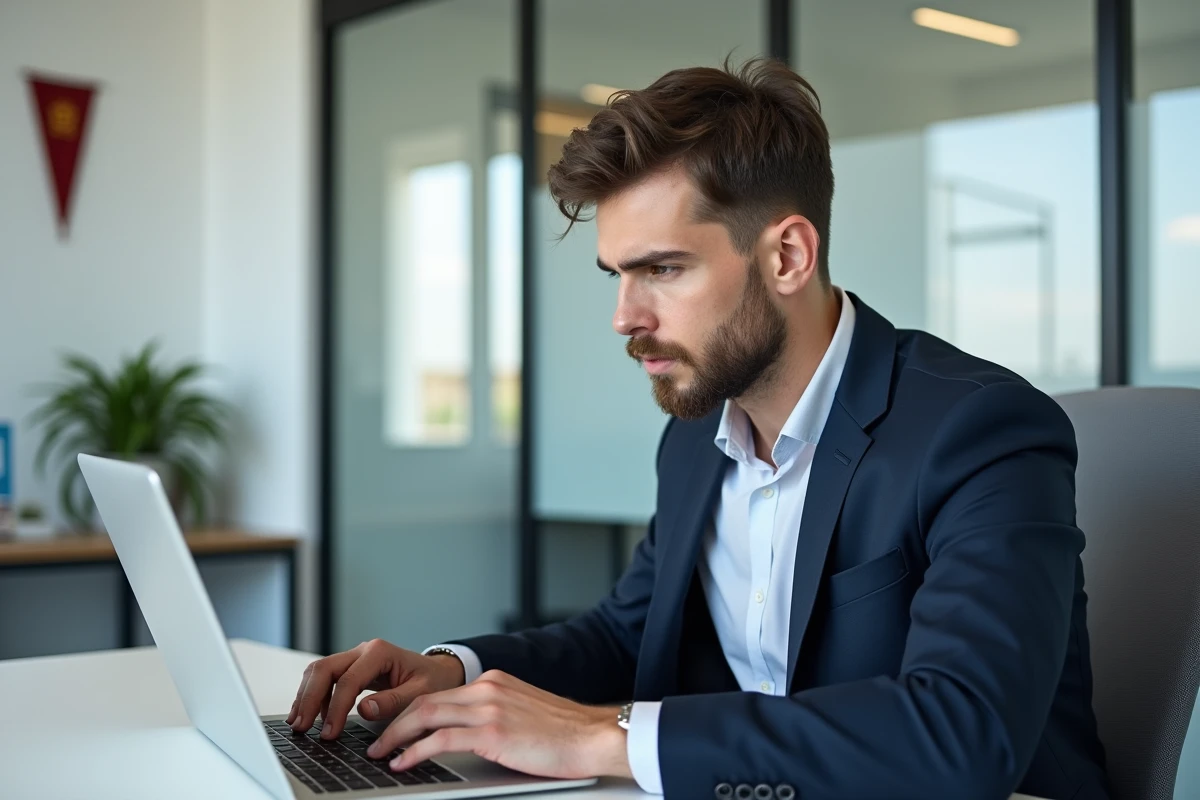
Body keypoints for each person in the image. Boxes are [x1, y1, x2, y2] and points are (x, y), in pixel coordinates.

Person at [289, 58, 1110, 799]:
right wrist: (452, 673)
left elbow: (962, 734)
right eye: (617, 274)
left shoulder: (979, 431)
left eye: (663, 269)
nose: (623, 317)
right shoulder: (696, 437)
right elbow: (628, 630)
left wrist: (597, 736)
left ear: (787, 256)